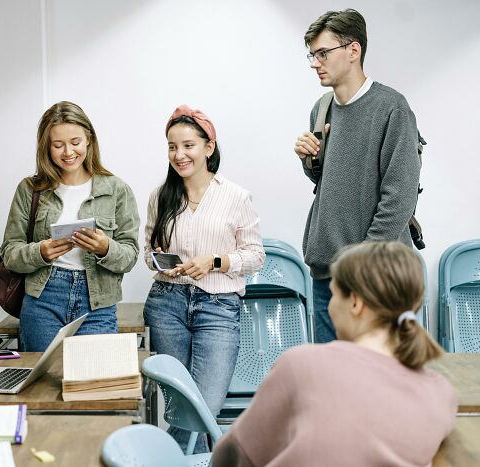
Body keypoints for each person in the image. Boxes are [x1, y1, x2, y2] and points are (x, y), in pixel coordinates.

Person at [212, 241, 456, 467]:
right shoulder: (441, 394)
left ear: (355, 303)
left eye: (334, 294)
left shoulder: (303, 365)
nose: (329, 305)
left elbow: (233, 456)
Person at [293, 9, 422, 343]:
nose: (314, 62)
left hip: (375, 278)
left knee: (380, 385)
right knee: (331, 386)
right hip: (327, 276)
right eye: (312, 54)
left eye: (323, 53)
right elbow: (330, 183)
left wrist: (360, 266)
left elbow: (399, 200)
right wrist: (310, 161)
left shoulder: (392, 108)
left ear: (353, 51)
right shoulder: (320, 108)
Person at [143, 104, 265, 453]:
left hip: (218, 308)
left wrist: (215, 261)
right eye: (171, 147)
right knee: (180, 408)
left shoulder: (236, 196)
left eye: (188, 145)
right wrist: (162, 262)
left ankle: (161, 458)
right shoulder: (160, 196)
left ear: (209, 147)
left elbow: (255, 256)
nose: (179, 155)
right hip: (167, 305)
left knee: (203, 408)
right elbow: (147, 254)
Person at [0, 101, 140, 352]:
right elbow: (10, 253)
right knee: (41, 385)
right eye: (57, 145)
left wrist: (105, 248)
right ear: (46, 147)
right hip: (43, 299)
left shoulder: (117, 190)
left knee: (92, 384)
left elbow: (130, 256)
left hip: (97, 303)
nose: (68, 152)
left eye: (75, 142)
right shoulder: (30, 190)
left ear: (89, 140)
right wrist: (40, 252)